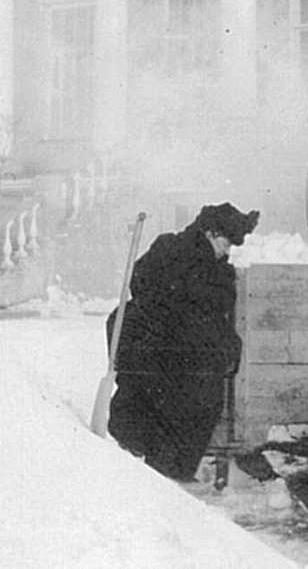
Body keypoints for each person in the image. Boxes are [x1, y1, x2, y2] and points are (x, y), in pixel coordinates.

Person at [106, 202, 259, 481]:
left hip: (173, 354)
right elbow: (143, 284)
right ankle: (163, 473)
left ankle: (160, 470)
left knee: (184, 401)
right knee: (186, 402)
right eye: (226, 242)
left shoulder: (209, 266)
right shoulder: (180, 254)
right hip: (165, 351)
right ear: (210, 234)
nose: (228, 251)